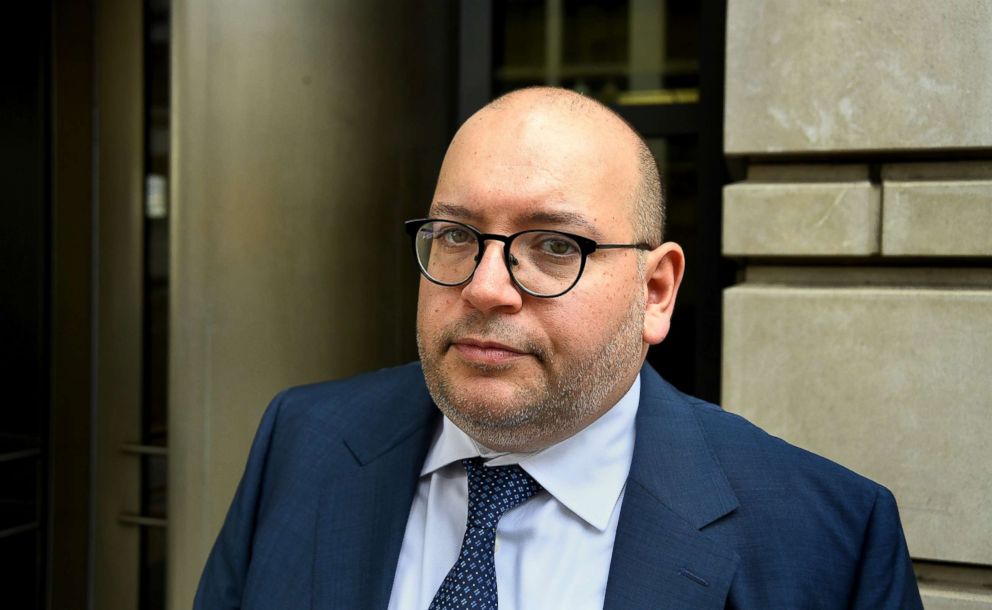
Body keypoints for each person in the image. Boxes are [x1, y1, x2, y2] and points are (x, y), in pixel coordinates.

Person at [194, 87, 923, 609]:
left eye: (552, 246)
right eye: (455, 235)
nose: (485, 288)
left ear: (657, 290)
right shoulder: (305, 441)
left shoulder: (826, 540)